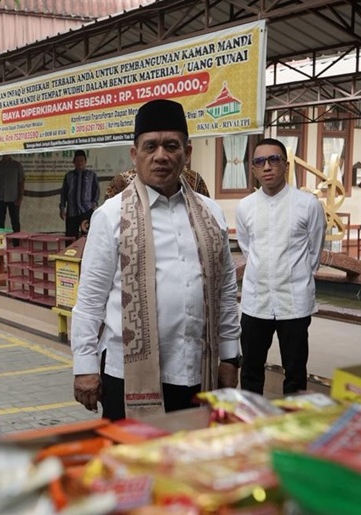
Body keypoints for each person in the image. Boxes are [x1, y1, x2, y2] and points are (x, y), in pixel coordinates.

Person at [71, 99, 240, 421]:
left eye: (171, 146)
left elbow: (225, 293)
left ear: (187, 153)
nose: (160, 156)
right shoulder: (110, 216)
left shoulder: (211, 213)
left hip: (197, 369)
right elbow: (90, 300)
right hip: (128, 374)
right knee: (134, 464)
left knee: (190, 463)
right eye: (150, 146)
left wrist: (231, 358)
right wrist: (85, 367)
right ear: (135, 155)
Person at [236, 138, 326, 396]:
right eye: (259, 161)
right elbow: (247, 247)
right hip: (257, 301)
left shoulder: (307, 204)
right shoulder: (245, 207)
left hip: (294, 302)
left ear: (285, 165)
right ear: (252, 169)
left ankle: (294, 422)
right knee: (251, 369)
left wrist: (294, 277)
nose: (267, 167)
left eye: (273, 159)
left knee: (295, 371)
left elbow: (314, 251)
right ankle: (251, 421)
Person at [59, 150, 99, 238]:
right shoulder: (69, 176)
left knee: (88, 238)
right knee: (70, 238)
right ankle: (70, 252)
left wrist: (94, 204)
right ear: (73, 162)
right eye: (77, 160)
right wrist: (62, 208)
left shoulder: (91, 175)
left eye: (81, 160)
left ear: (85, 162)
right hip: (72, 211)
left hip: (87, 211)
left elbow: (96, 191)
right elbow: (64, 193)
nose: (79, 162)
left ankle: (86, 252)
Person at [0, 154, 25, 233]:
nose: (6, 155)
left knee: (15, 222)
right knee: (0, 222)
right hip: (0, 199)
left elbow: (21, 183)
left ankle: (17, 244)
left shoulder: (17, 166)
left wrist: (20, 198)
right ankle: (0, 243)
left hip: (14, 199)